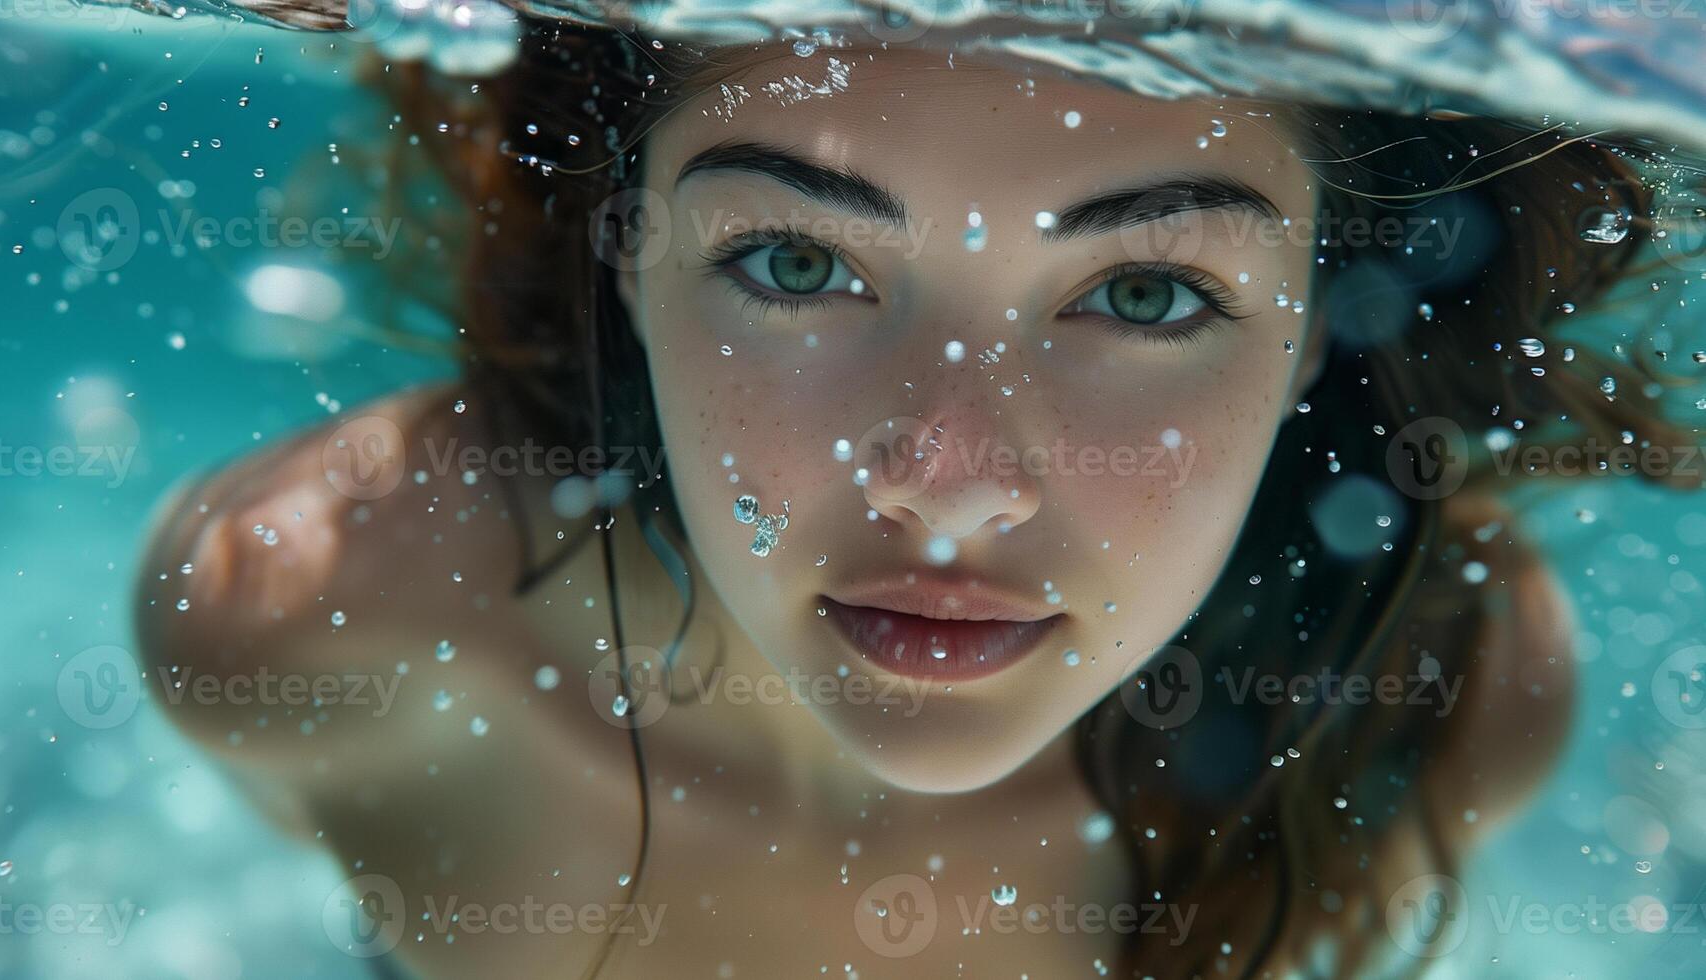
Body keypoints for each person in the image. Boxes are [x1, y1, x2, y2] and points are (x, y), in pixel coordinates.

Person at [136, 26, 1688, 979]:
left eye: (1146, 293)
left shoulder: (1431, 694)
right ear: (626, 248)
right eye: (796, 263)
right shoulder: (311, 618)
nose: (948, 487)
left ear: (1310, 333)